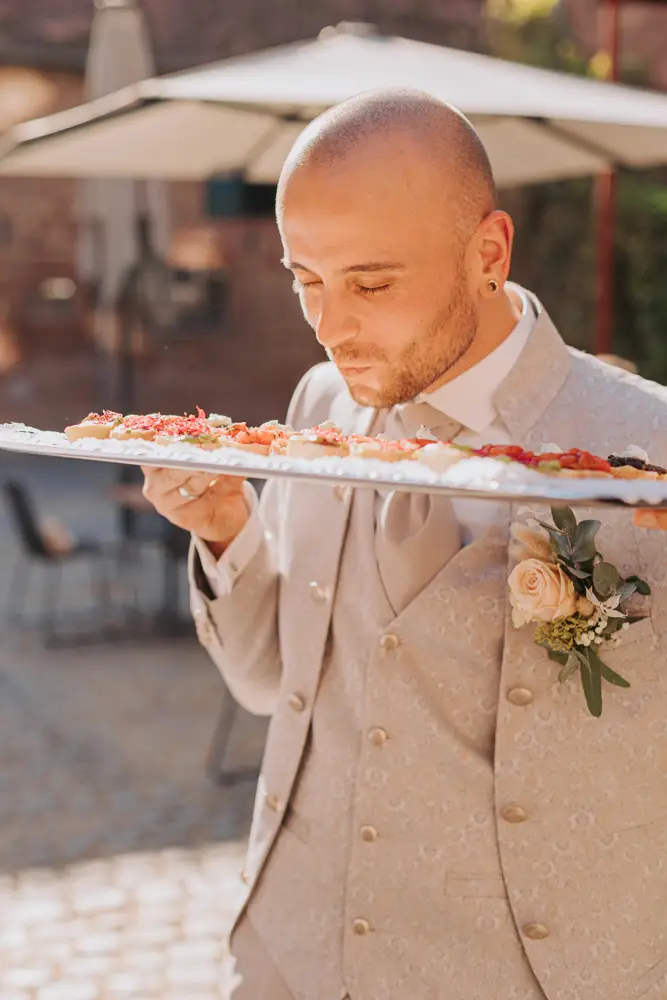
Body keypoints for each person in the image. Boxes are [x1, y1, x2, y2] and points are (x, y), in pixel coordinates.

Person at [143, 90, 667, 1000]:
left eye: (370, 283)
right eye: (305, 280)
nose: (329, 326)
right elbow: (270, 683)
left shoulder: (645, 447)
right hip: (287, 958)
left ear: (487, 254)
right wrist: (227, 532)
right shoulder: (317, 405)